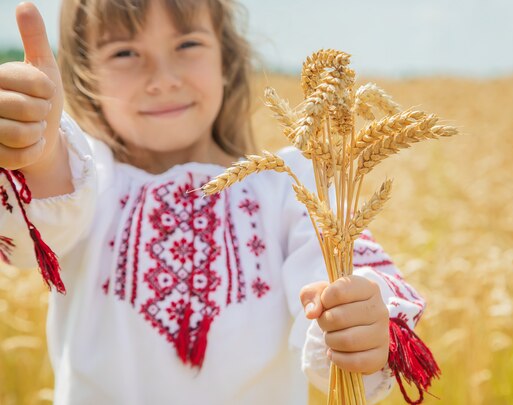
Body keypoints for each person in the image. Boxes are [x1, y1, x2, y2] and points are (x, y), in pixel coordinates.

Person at [0, 1, 435, 404]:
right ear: (84, 73)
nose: (163, 78)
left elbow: (345, 281)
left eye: (188, 44)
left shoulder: (291, 185)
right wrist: (38, 154)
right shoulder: (87, 175)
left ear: (226, 58)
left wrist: (360, 318)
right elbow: (35, 232)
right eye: (125, 54)